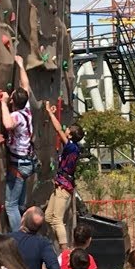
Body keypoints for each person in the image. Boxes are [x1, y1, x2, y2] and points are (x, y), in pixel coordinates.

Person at [0, 55, 35, 233]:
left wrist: (3, 103)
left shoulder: (16, 116)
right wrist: (21, 65)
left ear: (13, 101)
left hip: (19, 163)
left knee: (11, 205)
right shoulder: (27, 109)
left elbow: (7, 124)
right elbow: (25, 85)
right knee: (20, 203)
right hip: (27, 162)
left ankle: (19, 237)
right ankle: (24, 229)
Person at [42, 100, 84, 249]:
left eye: (69, 130)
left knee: (57, 220)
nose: (66, 130)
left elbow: (58, 129)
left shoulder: (71, 147)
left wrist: (50, 113)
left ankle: (65, 250)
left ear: (70, 136)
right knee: (49, 217)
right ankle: (56, 244)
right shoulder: (74, 147)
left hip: (63, 187)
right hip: (60, 185)